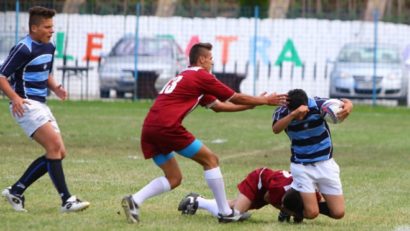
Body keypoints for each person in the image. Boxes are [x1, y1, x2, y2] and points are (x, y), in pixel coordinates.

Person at [121, 42, 288, 223]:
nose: (212, 63)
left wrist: (251, 105)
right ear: (201, 59)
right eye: (210, 59)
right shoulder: (201, 76)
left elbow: (219, 106)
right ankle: (225, 212)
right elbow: (234, 96)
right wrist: (264, 100)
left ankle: (135, 200)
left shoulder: (187, 76)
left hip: (150, 128)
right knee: (211, 160)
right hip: (167, 127)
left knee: (174, 178)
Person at [0, 6, 89, 213]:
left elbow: (44, 72)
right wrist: (15, 98)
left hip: (41, 104)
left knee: (58, 152)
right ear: (34, 28)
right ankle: (67, 200)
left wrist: (56, 87)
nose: (51, 31)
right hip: (26, 105)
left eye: (52, 26)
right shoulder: (23, 48)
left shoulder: (49, 47)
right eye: (47, 27)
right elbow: (2, 76)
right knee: (54, 147)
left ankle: (16, 190)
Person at [272, 89, 353, 220]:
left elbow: (343, 101)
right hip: (301, 166)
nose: (300, 117)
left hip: (325, 164)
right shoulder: (282, 111)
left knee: (338, 213)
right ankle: (287, 207)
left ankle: (298, 201)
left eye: (302, 113)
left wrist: (349, 105)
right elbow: (276, 129)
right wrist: (293, 115)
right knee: (311, 213)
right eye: (296, 113)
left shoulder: (318, 104)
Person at [177, 167, 309, 223]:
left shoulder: (302, 184)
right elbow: (268, 198)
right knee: (231, 216)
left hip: (266, 186)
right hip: (257, 181)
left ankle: (195, 202)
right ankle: (197, 201)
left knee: (234, 207)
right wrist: (289, 211)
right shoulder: (281, 188)